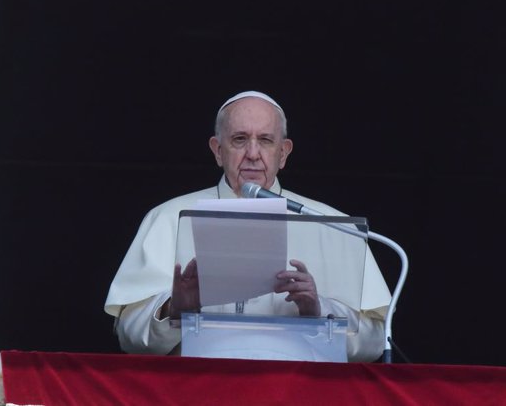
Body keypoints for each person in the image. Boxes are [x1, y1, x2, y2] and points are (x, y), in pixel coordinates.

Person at [104, 91, 392, 362]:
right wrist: (175, 310)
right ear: (218, 150)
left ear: (283, 153)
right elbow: (128, 335)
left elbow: (374, 341)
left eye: (265, 140)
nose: (253, 153)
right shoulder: (167, 217)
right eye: (240, 139)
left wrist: (318, 311)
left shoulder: (332, 226)